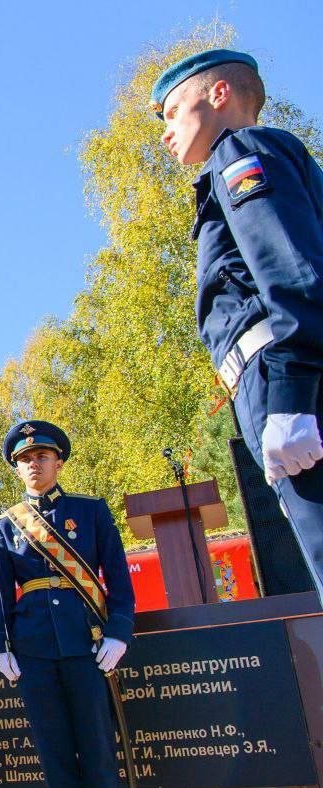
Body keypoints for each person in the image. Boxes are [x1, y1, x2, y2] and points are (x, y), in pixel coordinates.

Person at [154, 49, 323, 598]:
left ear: (219, 94)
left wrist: (292, 397)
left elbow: (292, 270)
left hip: (284, 374)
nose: (165, 133)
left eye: (173, 111)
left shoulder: (240, 152)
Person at [0, 420, 137, 788]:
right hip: (33, 651)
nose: (33, 464)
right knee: (55, 758)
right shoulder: (6, 524)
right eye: (25, 460)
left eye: (42, 457)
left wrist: (119, 633)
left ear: (59, 462)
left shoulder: (90, 511)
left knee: (96, 752)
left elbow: (118, 579)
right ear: (17, 469)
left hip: (87, 645)